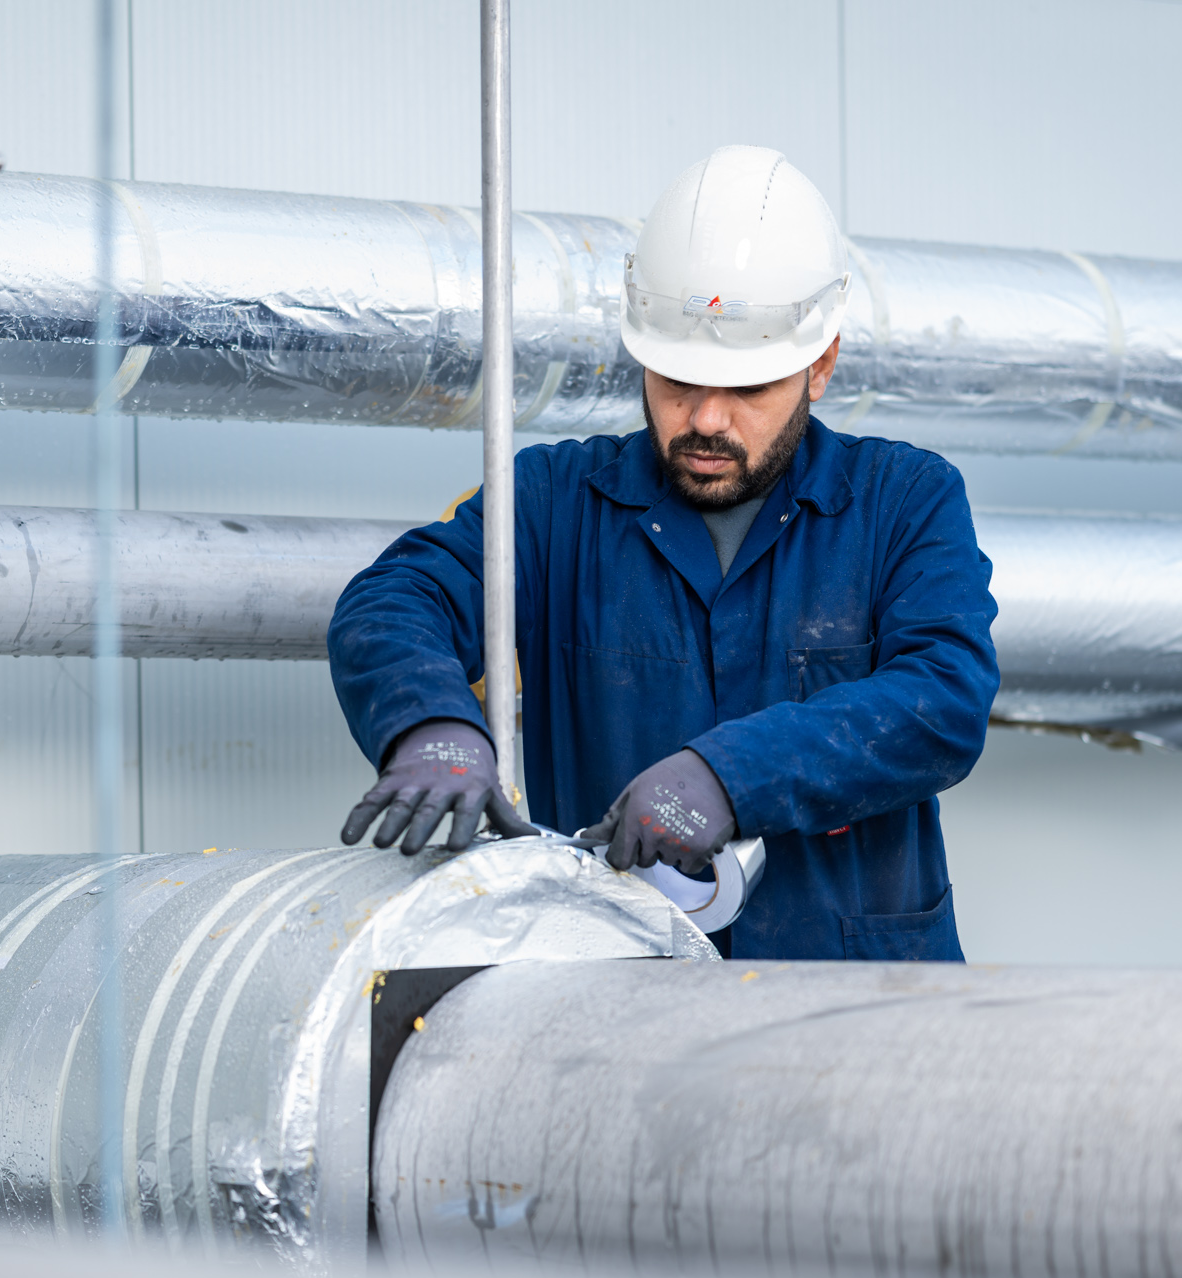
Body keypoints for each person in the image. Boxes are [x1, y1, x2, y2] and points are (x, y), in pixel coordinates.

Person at [327, 145, 998, 961]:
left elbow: (944, 700)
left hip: (858, 997)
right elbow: (396, 598)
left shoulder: (904, 500)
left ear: (818, 365)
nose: (707, 419)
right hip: (626, 992)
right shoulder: (554, 503)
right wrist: (430, 723)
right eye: (678, 380)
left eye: (747, 387)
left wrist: (730, 776)